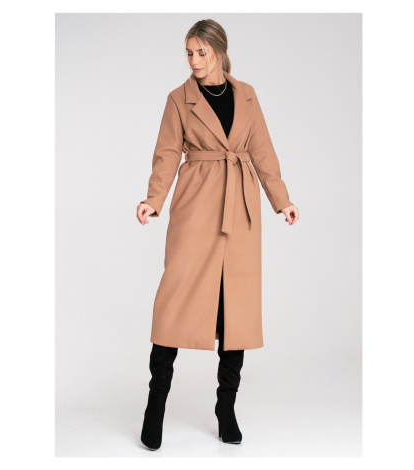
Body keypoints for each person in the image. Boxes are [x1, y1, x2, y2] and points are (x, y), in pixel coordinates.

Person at [136, 19, 299, 451]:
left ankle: (226, 408)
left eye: (201, 52)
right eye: (188, 53)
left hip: (240, 206)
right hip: (196, 204)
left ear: (220, 52)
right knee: (174, 300)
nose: (193, 60)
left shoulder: (247, 95)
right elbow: (166, 155)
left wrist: (282, 200)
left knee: (235, 311)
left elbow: (263, 152)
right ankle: (155, 406)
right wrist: (153, 199)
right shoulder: (179, 99)